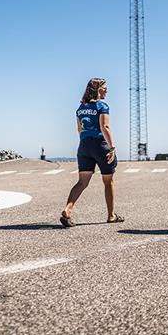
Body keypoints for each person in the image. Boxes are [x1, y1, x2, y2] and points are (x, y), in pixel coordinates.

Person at [60, 78, 123, 227]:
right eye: (104, 88)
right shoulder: (102, 106)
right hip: (100, 146)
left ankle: (67, 210)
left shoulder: (81, 108)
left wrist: (86, 143)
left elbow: (79, 130)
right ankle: (111, 215)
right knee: (108, 181)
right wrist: (112, 147)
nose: (107, 90)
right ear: (97, 90)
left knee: (82, 182)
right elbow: (105, 126)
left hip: (84, 146)